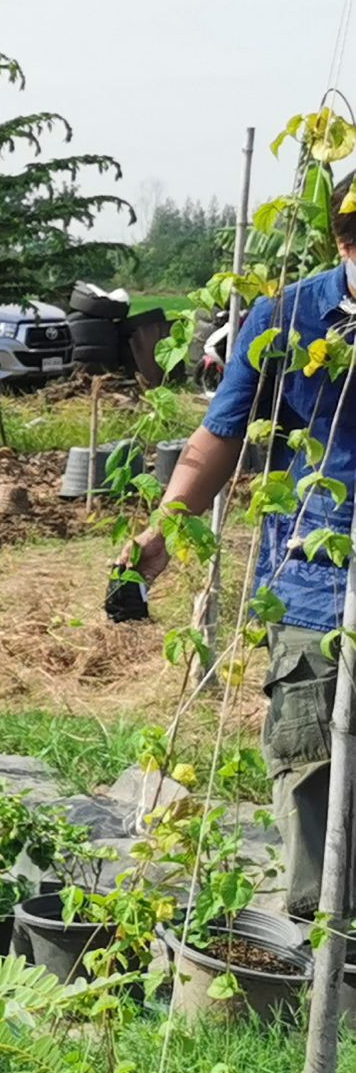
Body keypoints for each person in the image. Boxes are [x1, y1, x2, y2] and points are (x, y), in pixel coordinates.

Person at [121, 176, 356, 922]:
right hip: (316, 579)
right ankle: (324, 946)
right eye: (354, 237)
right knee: (312, 754)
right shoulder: (286, 317)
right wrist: (166, 527)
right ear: (339, 240)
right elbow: (219, 436)